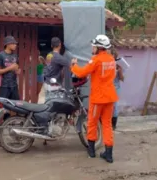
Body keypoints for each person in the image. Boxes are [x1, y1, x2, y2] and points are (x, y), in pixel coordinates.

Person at [71, 34, 118, 163]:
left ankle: (91, 151)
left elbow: (81, 73)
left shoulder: (95, 60)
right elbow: (112, 76)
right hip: (110, 96)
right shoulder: (111, 60)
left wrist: (73, 65)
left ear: (99, 47)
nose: (92, 47)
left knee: (92, 122)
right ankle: (109, 153)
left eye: (93, 45)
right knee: (107, 124)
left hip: (98, 98)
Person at [38, 37, 70, 104]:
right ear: (60, 45)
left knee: (45, 103)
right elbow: (69, 64)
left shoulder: (49, 55)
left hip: (46, 83)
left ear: (51, 45)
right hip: (54, 86)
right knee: (53, 106)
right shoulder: (59, 58)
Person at [0, 36, 20, 101]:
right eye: (13, 43)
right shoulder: (0, 55)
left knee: (15, 106)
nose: (15, 45)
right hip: (4, 85)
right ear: (7, 44)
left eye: (15, 44)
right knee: (4, 106)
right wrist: (10, 68)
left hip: (14, 85)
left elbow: (17, 69)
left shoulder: (15, 56)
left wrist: (17, 71)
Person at [111, 48, 125, 131]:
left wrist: (119, 71)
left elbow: (122, 79)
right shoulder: (106, 64)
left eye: (114, 57)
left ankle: (113, 125)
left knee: (114, 106)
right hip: (107, 87)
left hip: (116, 88)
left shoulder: (118, 65)